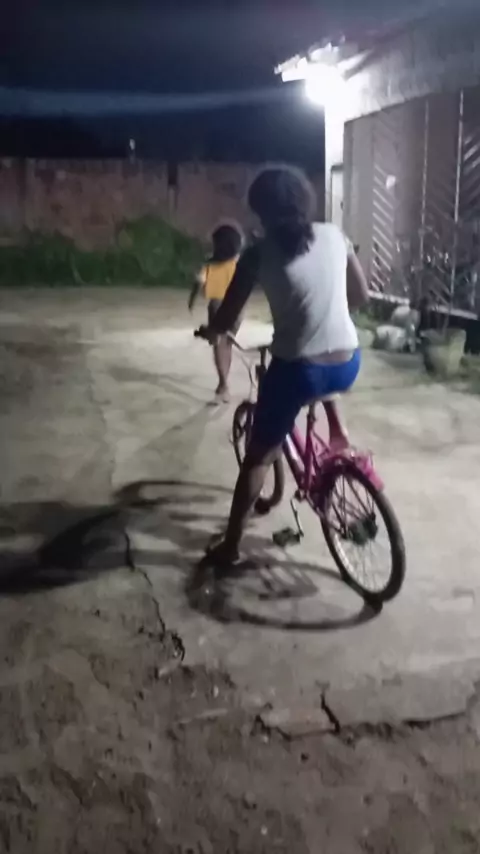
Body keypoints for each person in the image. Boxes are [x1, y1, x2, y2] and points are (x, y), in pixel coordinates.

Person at [199, 165, 369, 566]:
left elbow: (227, 319)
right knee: (317, 375)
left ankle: (230, 548)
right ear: (303, 199)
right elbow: (361, 295)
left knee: (256, 459)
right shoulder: (334, 234)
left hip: (299, 371)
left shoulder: (257, 255)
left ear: (261, 211)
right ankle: (338, 432)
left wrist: (212, 331)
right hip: (349, 360)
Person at [189, 222, 244, 401]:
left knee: (218, 344)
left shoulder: (209, 263)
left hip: (218, 305)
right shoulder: (238, 263)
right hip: (237, 307)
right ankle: (224, 382)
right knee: (227, 343)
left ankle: (223, 384)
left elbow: (199, 282)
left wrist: (192, 300)